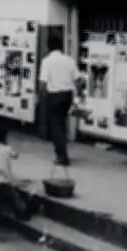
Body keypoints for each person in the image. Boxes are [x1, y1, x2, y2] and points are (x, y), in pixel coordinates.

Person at [38, 34, 80, 166]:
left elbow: (43, 84)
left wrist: (41, 96)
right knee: (62, 124)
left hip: (54, 95)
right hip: (67, 95)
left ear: (48, 47)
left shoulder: (47, 61)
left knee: (56, 126)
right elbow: (78, 79)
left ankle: (62, 156)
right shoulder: (69, 60)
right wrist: (79, 96)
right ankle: (60, 152)